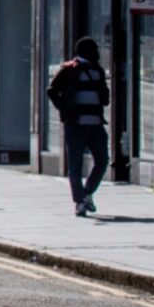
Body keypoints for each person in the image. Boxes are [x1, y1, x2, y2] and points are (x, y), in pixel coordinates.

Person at [47, 36, 113, 217]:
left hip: (96, 124)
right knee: (75, 165)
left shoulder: (97, 70)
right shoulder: (69, 69)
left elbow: (105, 97)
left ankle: (87, 193)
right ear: (87, 51)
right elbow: (52, 90)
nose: (99, 53)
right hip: (75, 125)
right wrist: (65, 109)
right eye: (95, 49)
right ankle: (80, 201)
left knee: (102, 160)